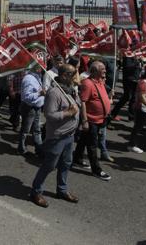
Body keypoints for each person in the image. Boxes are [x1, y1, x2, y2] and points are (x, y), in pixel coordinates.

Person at [30, 64, 81, 208]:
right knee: (49, 166)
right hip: (57, 137)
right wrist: (67, 113)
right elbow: (49, 115)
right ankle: (36, 191)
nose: (76, 77)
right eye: (73, 74)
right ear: (64, 76)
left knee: (66, 164)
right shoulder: (54, 92)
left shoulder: (70, 90)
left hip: (69, 136)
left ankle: (62, 190)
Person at [77, 60, 113, 162]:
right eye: (102, 69)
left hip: (101, 119)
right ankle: (96, 169)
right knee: (92, 145)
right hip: (92, 120)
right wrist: (84, 121)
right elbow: (83, 102)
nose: (105, 71)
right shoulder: (88, 84)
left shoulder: (100, 81)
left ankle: (77, 158)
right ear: (95, 71)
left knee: (83, 140)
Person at [18, 64, 45, 156]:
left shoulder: (37, 77)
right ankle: (21, 148)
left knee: (37, 129)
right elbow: (26, 97)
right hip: (29, 107)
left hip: (36, 107)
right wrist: (40, 93)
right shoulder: (29, 79)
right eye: (41, 66)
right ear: (36, 68)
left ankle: (39, 149)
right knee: (25, 130)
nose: (42, 68)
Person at [110, 54, 141, 121]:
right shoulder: (128, 56)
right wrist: (137, 62)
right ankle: (113, 113)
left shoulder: (135, 56)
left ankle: (131, 116)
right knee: (126, 97)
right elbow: (127, 66)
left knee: (133, 98)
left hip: (135, 79)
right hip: (129, 80)